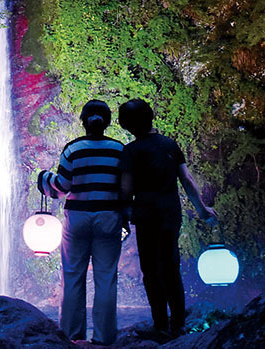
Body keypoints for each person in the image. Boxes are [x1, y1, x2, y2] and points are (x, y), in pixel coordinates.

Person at [118, 98, 217, 339]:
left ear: (129, 125)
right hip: (170, 214)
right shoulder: (170, 145)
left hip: (145, 216)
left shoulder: (131, 151)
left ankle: (160, 324)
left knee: (151, 270)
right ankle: (179, 324)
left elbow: (126, 189)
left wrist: (123, 215)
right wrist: (203, 210)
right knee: (171, 267)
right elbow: (187, 180)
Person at [37, 99, 125, 345]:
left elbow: (62, 187)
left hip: (77, 219)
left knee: (73, 276)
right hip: (109, 218)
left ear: (83, 122)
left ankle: (72, 335)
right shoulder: (119, 150)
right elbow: (124, 187)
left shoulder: (73, 149)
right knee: (106, 277)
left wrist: (44, 178)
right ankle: (104, 338)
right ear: (107, 122)